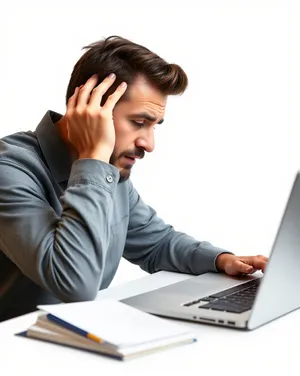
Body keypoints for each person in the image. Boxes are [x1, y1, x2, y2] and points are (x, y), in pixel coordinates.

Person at [0, 36, 268, 322]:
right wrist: (92, 159)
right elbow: (74, 285)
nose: (149, 143)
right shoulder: (10, 169)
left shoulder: (108, 169)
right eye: (139, 123)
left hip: (73, 337)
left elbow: (155, 243)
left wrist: (221, 260)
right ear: (92, 109)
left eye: (154, 126)